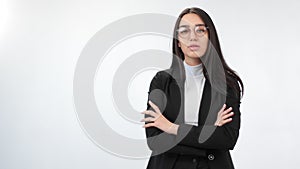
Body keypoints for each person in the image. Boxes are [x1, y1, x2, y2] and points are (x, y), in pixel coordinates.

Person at [141, 7, 244, 169]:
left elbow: (227, 139)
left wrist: (170, 127)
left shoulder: (227, 84)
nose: (193, 37)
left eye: (200, 30)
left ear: (210, 38)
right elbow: (155, 140)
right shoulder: (161, 81)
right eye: (184, 31)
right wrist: (208, 133)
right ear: (178, 42)